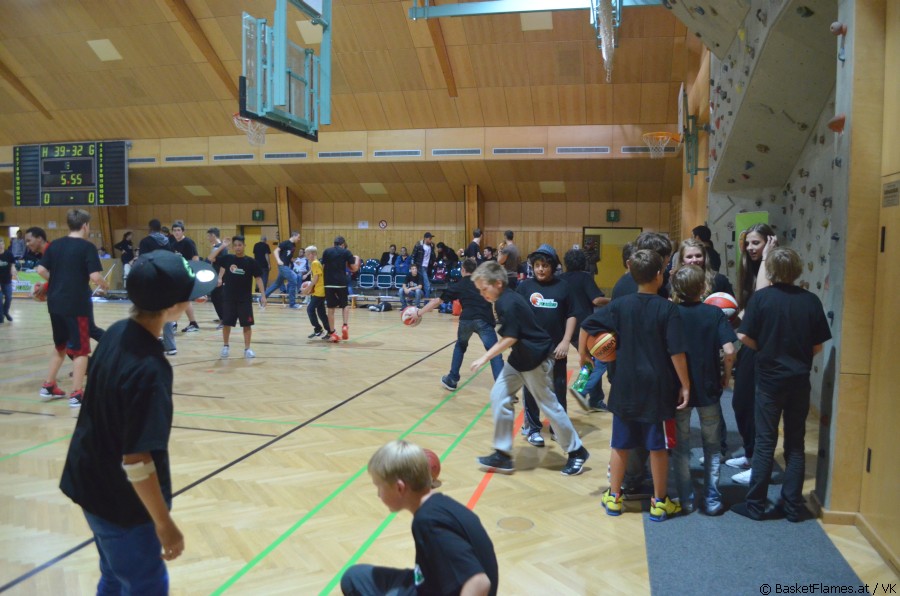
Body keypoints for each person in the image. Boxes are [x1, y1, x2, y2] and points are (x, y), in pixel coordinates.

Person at [60, 250, 217, 595]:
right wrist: (165, 524)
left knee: (114, 576)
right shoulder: (150, 369)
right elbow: (136, 460)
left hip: (88, 483)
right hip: (122, 504)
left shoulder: (117, 332)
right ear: (173, 307)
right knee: (145, 585)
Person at [580, 249, 690, 521]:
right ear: (659, 275)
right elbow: (676, 352)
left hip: (624, 386)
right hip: (657, 389)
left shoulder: (619, 305)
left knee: (620, 445)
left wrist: (584, 354)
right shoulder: (668, 308)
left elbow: (587, 324)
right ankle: (660, 502)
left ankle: (614, 497)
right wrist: (685, 384)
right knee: (658, 448)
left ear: (631, 273)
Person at [732, 247, 831, 522]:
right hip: (799, 380)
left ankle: (755, 506)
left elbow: (743, 336)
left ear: (772, 270)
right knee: (796, 444)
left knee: (765, 442)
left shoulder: (761, 298)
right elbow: (818, 346)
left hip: (768, 380)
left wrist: (765, 350)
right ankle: (792, 507)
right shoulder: (810, 300)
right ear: (797, 270)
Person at [469, 261, 590, 476]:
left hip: (536, 358)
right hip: (520, 357)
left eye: (484, 288)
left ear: (498, 283)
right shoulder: (503, 300)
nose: (482, 293)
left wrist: (484, 358)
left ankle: (577, 451)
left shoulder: (508, 303)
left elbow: (510, 338)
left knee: (549, 406)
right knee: (499, 395)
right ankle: (502, 454)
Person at [340, 440, 498, 596]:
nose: (378, 494)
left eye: (379, 487)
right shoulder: (440, 504)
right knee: (354, 578)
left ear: (399, 488)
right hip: (432, 583)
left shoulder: (428, 522)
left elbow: (479, 582)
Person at [669, 265, 737, 516]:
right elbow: (729, 351)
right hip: (708, 387)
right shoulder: (714, 313)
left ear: (676, 289)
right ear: (703, 288)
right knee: (712, 446)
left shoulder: (671, 312)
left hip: (678, 389)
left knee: (681, 447)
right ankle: (712, 499)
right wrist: (726, 376)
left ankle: (686, 499)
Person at [36, 209, 110, 407]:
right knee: (81, 350)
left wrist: (57, 281)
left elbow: (41, 269)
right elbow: (95, 276)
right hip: (76, 304)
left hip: (55, 303)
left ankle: (48, 385)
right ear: (85, 226)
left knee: (60, 346)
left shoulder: (55, 245)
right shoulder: (87, 247)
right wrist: (104, 284)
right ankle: (76, 394)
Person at [727, 222, 776, 485]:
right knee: (740, 402)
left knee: (756, 406)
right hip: (749, 343)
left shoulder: (773, 267)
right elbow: (748, 309)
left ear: (770, 242)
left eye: (756, 243)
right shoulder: (750, 270)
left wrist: (768, 256)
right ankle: (749, 455)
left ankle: (758, 464)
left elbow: (761, 298)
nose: (750, 248)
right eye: (747, 243)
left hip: (765, 347)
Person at [516, 244, 578, 448]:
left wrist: (566, 341)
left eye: (545, 265)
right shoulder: (524, 287)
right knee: (531, 389)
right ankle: (532, 428)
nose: (541, 269)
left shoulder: (564, 287)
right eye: (537, 265)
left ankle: (558, 428)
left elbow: (572, 315)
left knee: (558, 389)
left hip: (556, 349)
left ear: (553, 266)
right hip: (531, 349)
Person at [415, 258, 504, 389]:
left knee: (460, 346)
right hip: (484, 319)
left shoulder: (458, 285)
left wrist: (418, 313)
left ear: (463, 270)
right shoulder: (483, 281)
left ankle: (452, 379)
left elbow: (436, 302)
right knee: (494, 352)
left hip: (466, 320)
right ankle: (503, 389)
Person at [560, 247, 610, 412]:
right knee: (601, 356)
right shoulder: (585, 277)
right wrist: (615, 300)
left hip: (566, 327)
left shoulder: (560, 279)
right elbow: (596, 300)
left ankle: (596, 400)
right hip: (584, 326)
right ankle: (581, 388)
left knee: (591, 357)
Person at [216, 236, 266, 359]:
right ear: (233, 247)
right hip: (229, 298)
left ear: (244, 246)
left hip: (244, 299)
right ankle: (225, 346)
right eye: (235, 245)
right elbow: (211, 258)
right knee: (226, 323)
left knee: (247, 325)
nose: (238, 247)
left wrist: (263, 296)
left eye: (240, 245)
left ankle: (247, 349)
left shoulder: (251, 262)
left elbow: (258, 279)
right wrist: (223, 245)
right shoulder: (228, 258)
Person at [139, 219, 179, 355]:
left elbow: (143, 261)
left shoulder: (145, 242)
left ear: (149, 228)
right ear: (160, 228)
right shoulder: (167, 241)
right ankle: (171, 346)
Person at [321, 236, 360, 342]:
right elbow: (354, 268)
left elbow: (323, 267)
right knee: (345, 305)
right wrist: (357, 261)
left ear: (334, 243)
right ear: (343, 244)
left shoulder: (326, 251)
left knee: (330, 308)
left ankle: (333, 333)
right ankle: (345, 325)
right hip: (341, 282)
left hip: (328, 283)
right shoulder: (346, 252)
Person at [171, 221, 201, 333]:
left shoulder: (188, 242)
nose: (176, 232)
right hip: (177, 275)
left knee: (181, 299)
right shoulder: (173, 244)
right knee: (182, 300)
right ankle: (192, 323)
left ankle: (174, 323)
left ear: (183, 231)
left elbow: (195, 258)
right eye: (174, 230)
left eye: (179, 230)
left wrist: (193, 275)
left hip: (186, 275)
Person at [264, 231, 301, 309]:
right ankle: (292, 304)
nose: (299, 239)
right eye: (298, 237)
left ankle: (261, 298)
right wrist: (278, 260)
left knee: (277, 284)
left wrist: (294, 261)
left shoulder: (293, 245)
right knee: (293, 281)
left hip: (286, 266)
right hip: (283, 266)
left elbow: (288, 256)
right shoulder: (285, 243)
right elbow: (275, 251)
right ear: (294, 236)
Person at [302, 246, 328, 338]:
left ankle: (318, 329)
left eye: (307, 254)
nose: (306, 256)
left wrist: (307, 289)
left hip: (319, 291)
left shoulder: (315, 263)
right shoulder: (316, 263)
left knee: (310, 309)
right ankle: (329, 331)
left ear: (313, 254)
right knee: (321, 312)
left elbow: (316, 278)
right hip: (318, 291)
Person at [207, 228, 230, 328]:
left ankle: (225, 320)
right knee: (215, 297)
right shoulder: (216, 247)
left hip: (221, 277)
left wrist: (220, 277)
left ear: (213, 235)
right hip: (215, 276)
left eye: (208, 236)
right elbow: (211, 258)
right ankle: (222, 318)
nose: (207, 238)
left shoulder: (222, 248)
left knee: (219, 298)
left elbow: (224, 265)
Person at [411, 233, 436, 298]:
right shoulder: (419, 246)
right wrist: (413, 267)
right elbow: (413, 256)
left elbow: (433, 255)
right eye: (429, 238)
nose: (431, 240)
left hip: (427, 267)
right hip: (420, 266)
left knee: (422, 283)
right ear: (425, 238)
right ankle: (426, 301)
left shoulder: (431, 246)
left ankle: (420, 297)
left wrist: (434, 261)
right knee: (427, 285)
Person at [0, 238, 17, 323]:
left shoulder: (9, 254)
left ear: (4, 244)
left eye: (2, 244)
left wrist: (13, 268)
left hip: (7, 280)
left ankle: (5, 312)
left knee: (9, 298)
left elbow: (13, 263)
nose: (0, 246)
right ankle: (1, 317)